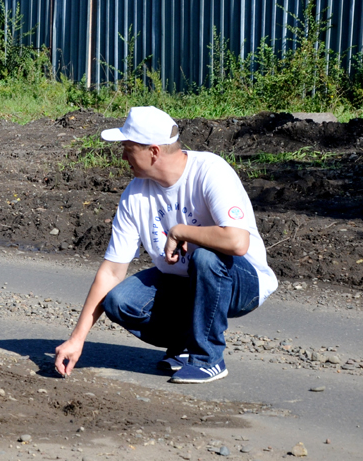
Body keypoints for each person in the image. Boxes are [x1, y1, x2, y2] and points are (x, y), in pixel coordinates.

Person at [53, 106, 277, 384]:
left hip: (242, 281)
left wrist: (182, 231)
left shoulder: (210, 171)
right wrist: (77, 339)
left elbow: (237, 241)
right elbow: (111, 272)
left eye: (128, 148)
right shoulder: (134, 195)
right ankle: (186, 344)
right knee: (119, 301)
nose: (122, 156)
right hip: (185, 285)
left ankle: (208, 359)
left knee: (206, 257)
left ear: (154, 151)